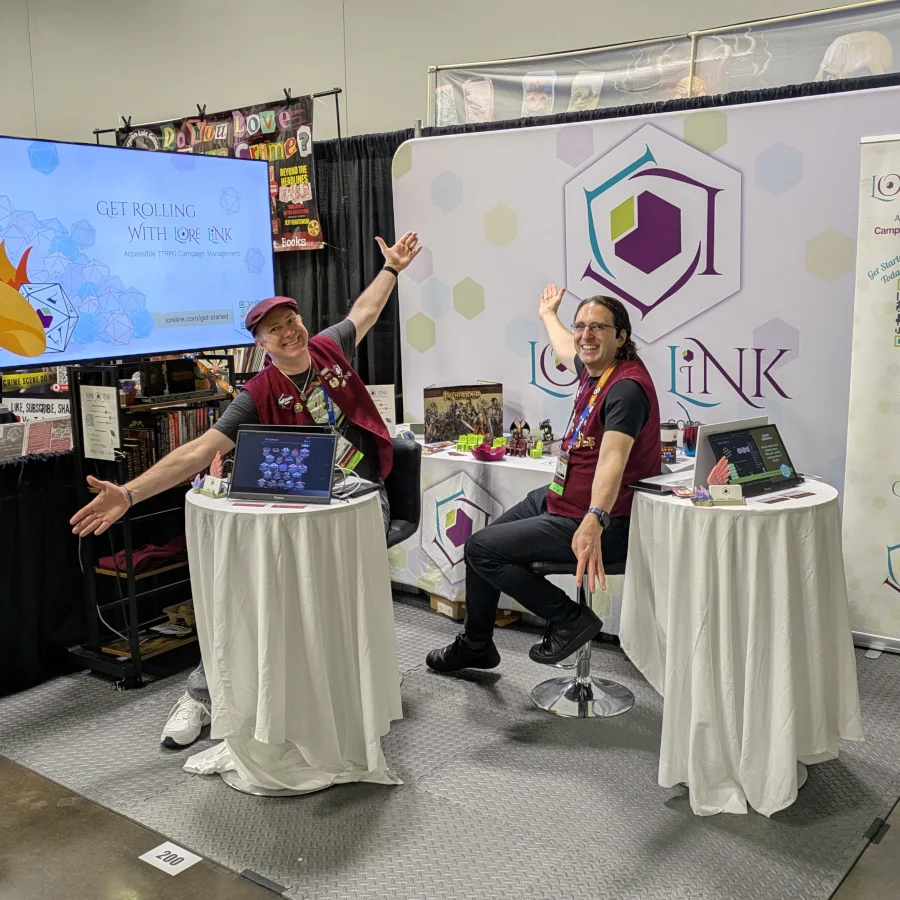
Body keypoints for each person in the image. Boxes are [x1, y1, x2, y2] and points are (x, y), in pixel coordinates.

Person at [70, 232, 421, 747]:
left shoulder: (329, 347)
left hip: (363, 494)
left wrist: (391, 268)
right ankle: (203, 693)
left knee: (329, 581)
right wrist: (129, 493)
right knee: (251, 584)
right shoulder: (256, 395)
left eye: (291, 321)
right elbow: (195, 452)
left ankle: (351, 683)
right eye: (274, 330)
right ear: (260, 344)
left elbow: (365, 310)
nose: (289, 333)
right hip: (299, 503)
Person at [426, 284, 660, 673]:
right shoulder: (597, 369)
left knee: (483, 549)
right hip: (560, 497)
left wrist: (594, 518)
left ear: (621, 337)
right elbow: (567, 349)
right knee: (479, 550)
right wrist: (549, 315)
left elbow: (613, 461)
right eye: (580, 326)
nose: (586, 336)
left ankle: (570, 619)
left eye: (598, 328)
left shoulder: (625, 390)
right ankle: (477, 645)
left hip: (601, 520)